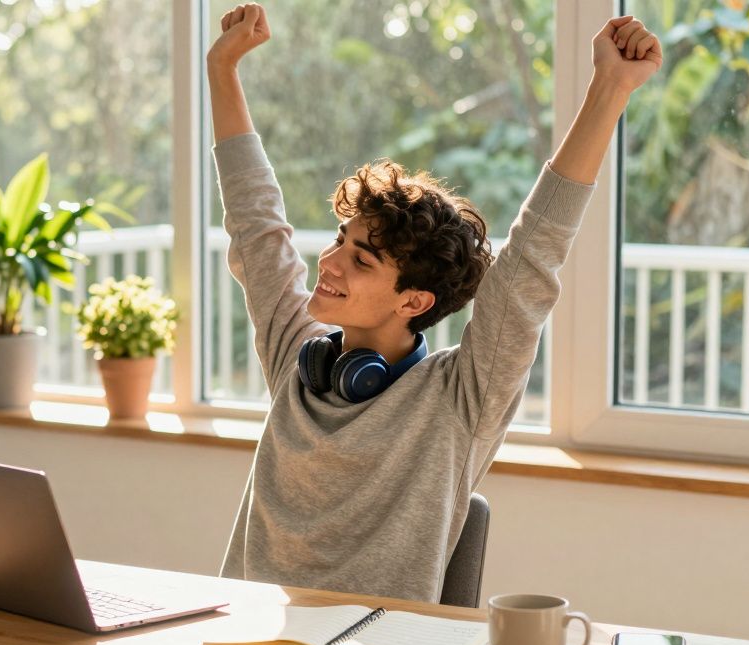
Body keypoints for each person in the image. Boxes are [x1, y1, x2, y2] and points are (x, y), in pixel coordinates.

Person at [208, 4, 662, 602]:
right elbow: (255, 219)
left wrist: (610, 89)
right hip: (249, 638)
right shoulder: (297, 353)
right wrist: (222, 70)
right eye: (341, 241)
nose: (330, 262)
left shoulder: (461, 399)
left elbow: (532, 258)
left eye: (362, 260)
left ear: (414, 300)